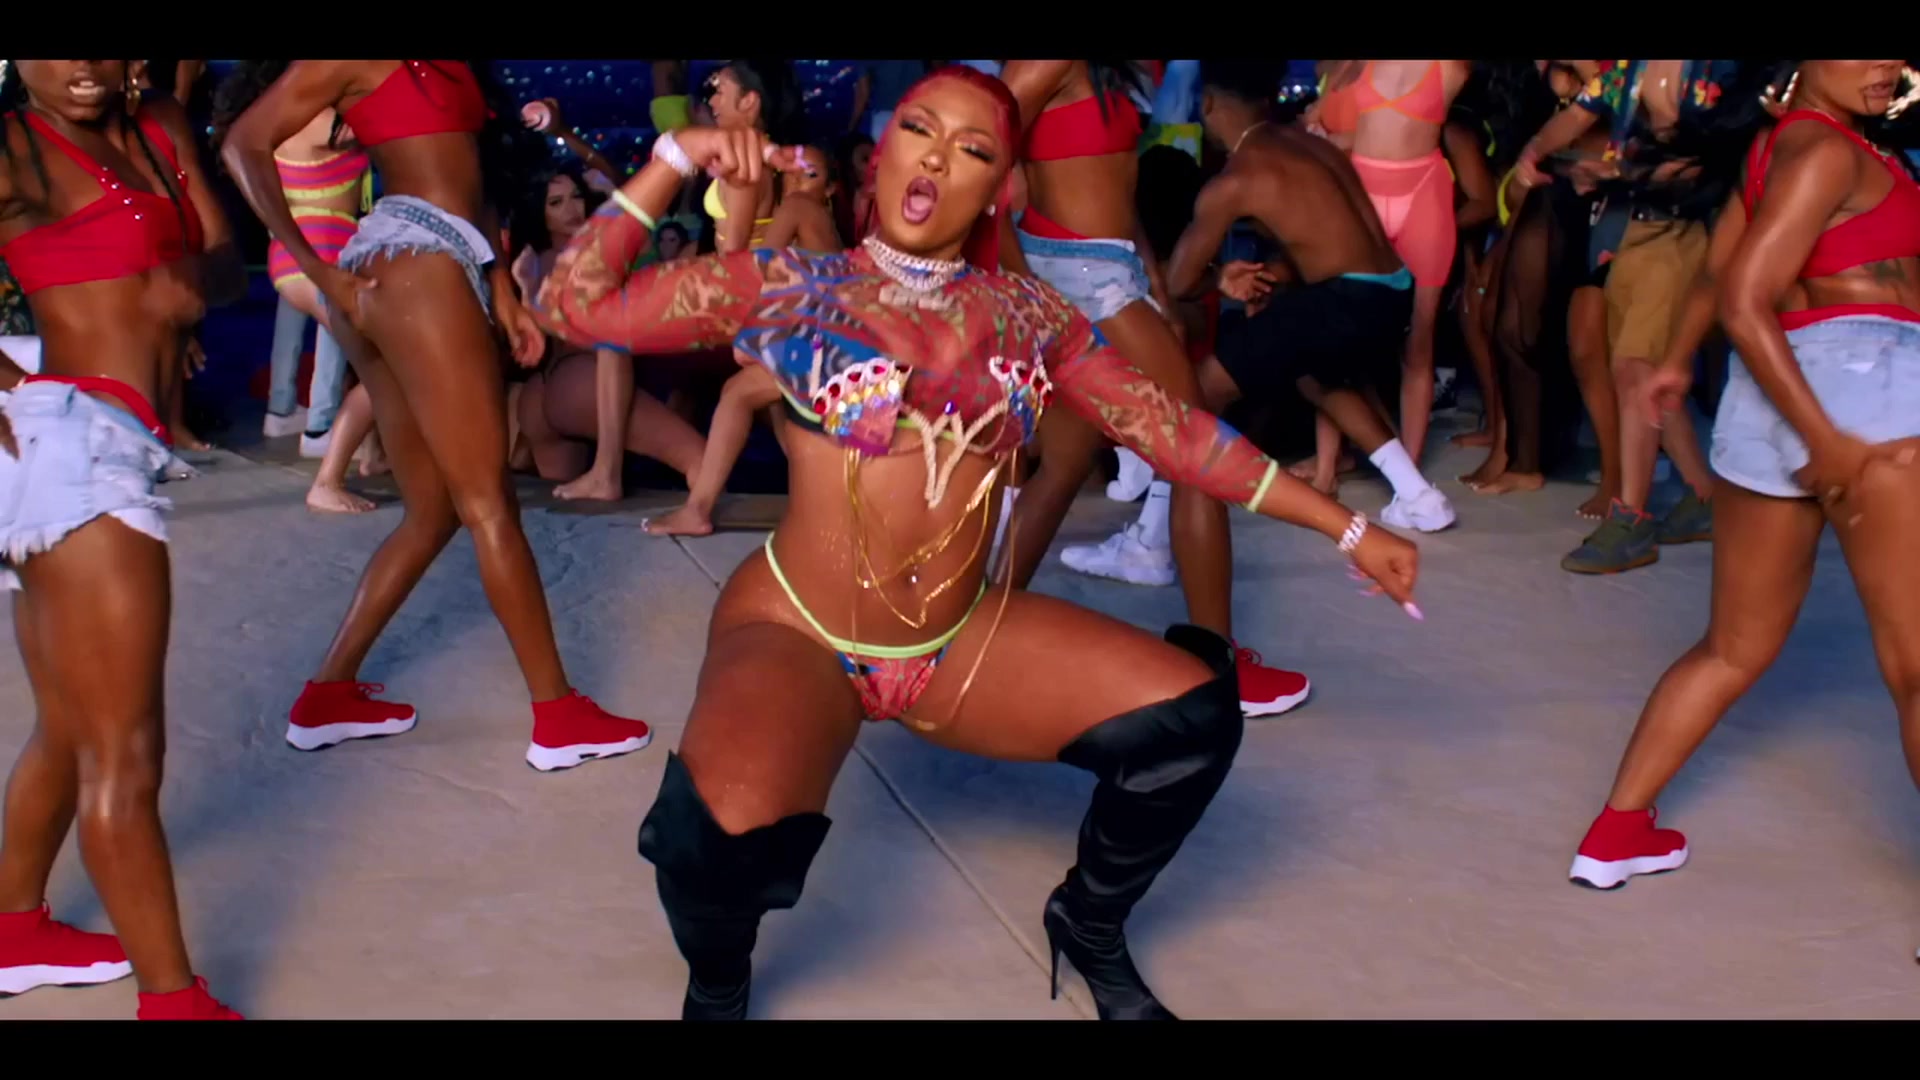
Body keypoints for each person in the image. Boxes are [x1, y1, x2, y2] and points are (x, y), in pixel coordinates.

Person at [530, 65, 1423, 1021]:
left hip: (954, 642)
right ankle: (718, 989)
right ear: (884, 156)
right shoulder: (791, 287)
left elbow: (1175, 433)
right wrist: (675, 155)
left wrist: (1348, 525)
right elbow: (574, 306)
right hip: (800, 631)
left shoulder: (1033, 318)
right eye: (920, 130)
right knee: (713, 849)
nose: (936, 159)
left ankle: (1087, 922)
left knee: (1193, 722)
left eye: (973, 149)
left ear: (1002, 186)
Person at [220, 60, 652, 770]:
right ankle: (559, 717)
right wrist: (313, 265)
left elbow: (470, 184)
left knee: (433, 512)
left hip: (417, 263)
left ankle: (327, 697)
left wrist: (502, 293)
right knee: (488, 504)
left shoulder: (455, 66)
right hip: (416, 266)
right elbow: (243, 143)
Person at [1567, 62, 1920, 915]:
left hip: (1766, 402)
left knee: (1731, 648)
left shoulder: (1772, 151)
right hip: (1861, 387)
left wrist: (1678, 362)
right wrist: (1826, 439)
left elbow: (1719, 277)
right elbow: (1748, 300)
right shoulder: (1826, 152)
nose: (1889, 67)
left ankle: (1617, 833)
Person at [0, 58, 244, 1019]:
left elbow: (222, 261)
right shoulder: (14, 145)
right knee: (125, 757)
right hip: (74, 444)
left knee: (72, 727)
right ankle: (173, 1003)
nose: (83, 66)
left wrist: (183, 283)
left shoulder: (159, 122)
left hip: (118, 436)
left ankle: (16, 933)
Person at [994, 59, 1311, 718]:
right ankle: (1216, 666)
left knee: (1065, 462)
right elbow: (975, 150)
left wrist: (1157, 285)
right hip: (1079, 275)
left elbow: (1116, 183)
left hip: (1105, 267)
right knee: (1199, 456)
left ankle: (976, 633)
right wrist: (1021, 288)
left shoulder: (1107, 70)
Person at [1170, 63, 1456, 537]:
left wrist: (1221, 278)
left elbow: (1179, 281)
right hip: (1392, 291)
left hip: (1346, 300)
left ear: (1207, 104)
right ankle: (1420, 497)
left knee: (1202, 387)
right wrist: (1265, 277)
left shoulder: (1237, 178)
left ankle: (1154, 534)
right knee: (1312, 372)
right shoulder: (1312, 145)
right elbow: (1321, 237)